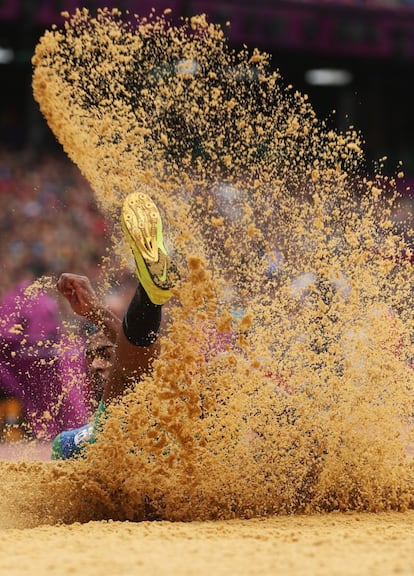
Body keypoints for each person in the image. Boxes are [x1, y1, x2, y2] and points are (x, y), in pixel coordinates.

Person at [51, 190, 178, 459]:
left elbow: (135, 356)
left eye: (106, 355)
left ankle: (151, 292)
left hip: (150, 447)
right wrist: (96, 312)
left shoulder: (159, 405)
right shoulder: (65, 443)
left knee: (132, 373)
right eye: (92, 357)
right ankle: (151, 293)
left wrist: (97, 312)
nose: (96, 365)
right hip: (104, 458)